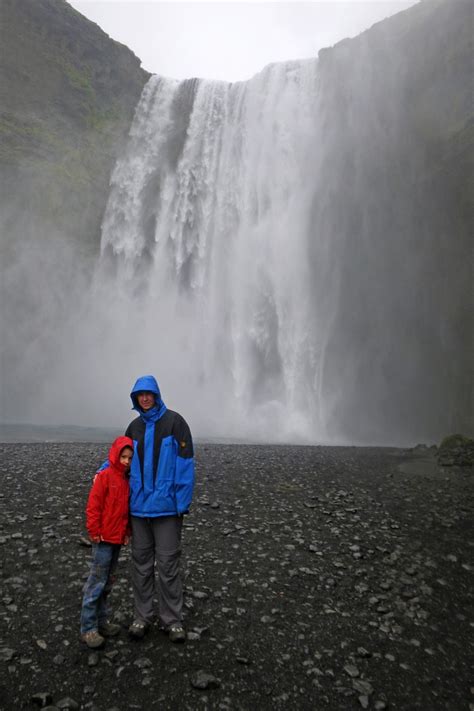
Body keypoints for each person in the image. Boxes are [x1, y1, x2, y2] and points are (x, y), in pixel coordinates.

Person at [125, 375, 195, 643]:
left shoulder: (175, 423)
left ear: (156, 395)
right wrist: (101, 474)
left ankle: (172, 620)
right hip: (139, 509)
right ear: (135, 398)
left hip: (167, 510)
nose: (144, 398)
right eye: (140, 394)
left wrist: (181, 504)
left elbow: (186, 465)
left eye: (148, 393)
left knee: (168, 565)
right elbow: (119, 462)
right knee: (141, 566)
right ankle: (142, 617)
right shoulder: (133, 428)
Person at [80, 436, 134, 649]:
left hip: (116, 539)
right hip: (102, 539)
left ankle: (102, 622)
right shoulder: (104, 477)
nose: (127, 461)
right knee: (96, 582)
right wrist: (94, 532)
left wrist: (127, 532)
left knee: (108, 582)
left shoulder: (125, 480)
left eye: (130, 458)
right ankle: (88, 628)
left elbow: (125, 512)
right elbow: (93, 506)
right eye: (123, 457)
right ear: (115, 455)